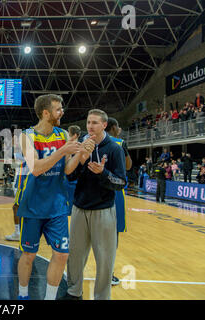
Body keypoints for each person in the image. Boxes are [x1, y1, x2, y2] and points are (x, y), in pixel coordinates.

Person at [15, 94, 90, 300]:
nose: (62, 112)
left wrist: (79, 154)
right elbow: (36, 169)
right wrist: (63, 150)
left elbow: (67, 170)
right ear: (46, 113)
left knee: (62, 254)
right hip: (33, 205)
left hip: (57, 205)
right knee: (29, 255)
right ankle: (23, 295)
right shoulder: (27, 136)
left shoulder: (63, 134)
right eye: (58, 109)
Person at [63, 109, 126, 300]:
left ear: (104, 125)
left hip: (104, 210)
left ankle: (102, 296)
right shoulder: (82, 145)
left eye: (95, 123)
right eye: (89, 122)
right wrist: (80, 159)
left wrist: (103, 173)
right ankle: (74, 292)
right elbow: (70, 176)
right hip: (79, 208)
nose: (90, 126)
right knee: (74, 256)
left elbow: (122, 182)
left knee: (105, 259)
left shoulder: (114, 148)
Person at [105, 117, 132, 286]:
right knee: (112, 236)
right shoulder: (120, 142)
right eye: (118, 126)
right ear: (113, 127)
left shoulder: (90, 140)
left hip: (93, 191)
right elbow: (128, 166)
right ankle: (108, 273)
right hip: (114, 191)